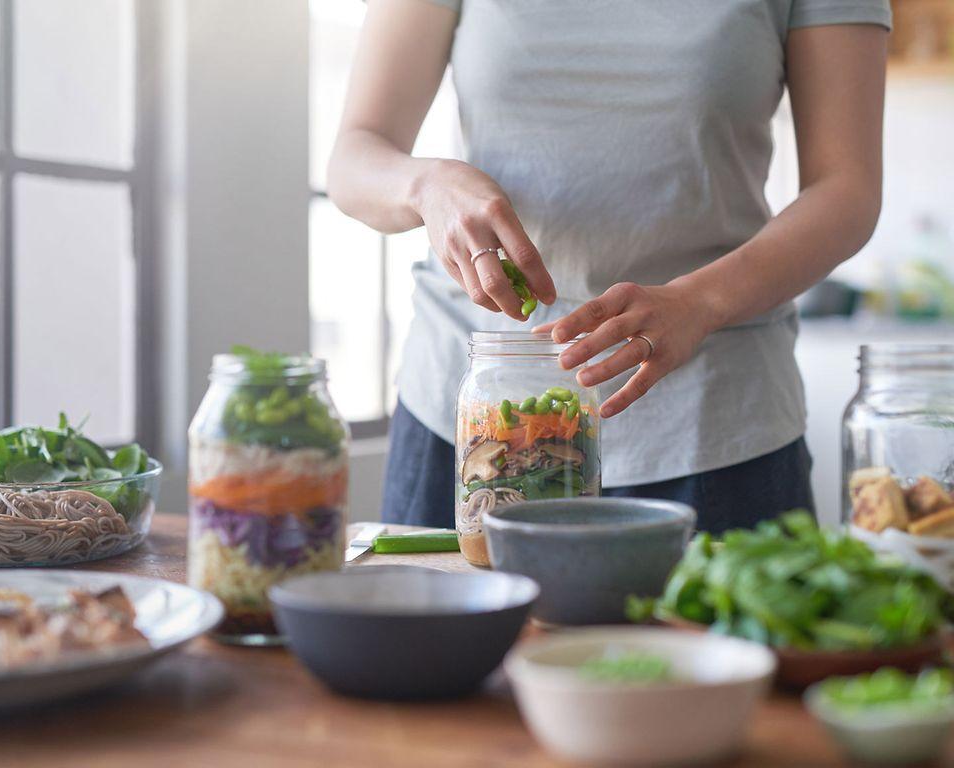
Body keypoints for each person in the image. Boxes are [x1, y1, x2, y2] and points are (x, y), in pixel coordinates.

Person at [327, 0, 890, 532]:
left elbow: (847, 190)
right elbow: (356, 156)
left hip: (714, 424)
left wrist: (701, 300)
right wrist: (426, 186)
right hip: (473, 409)